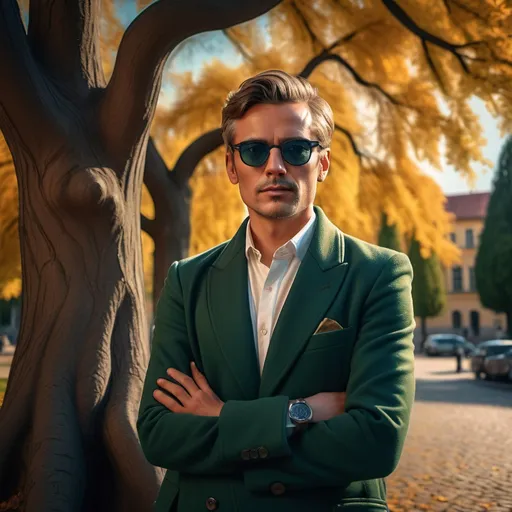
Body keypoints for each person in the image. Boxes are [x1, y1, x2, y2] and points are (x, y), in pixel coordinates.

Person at [137, 70, 416, 512]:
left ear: (322, 162)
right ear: (232, 166)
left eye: (296, 148)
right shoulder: (187, 281)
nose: (274, 166)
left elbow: (377, 441)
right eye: (252, 150)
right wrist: (300, 413)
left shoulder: (378, 274)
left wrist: (221, 419)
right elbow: (158, 433)